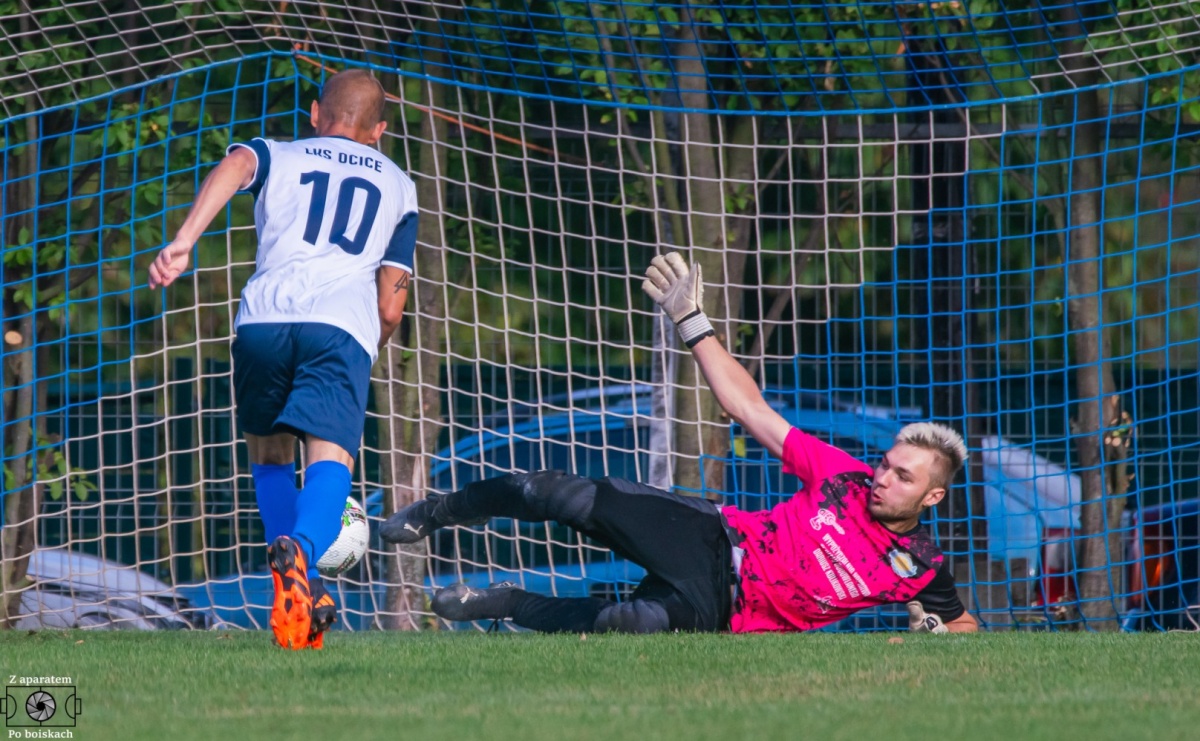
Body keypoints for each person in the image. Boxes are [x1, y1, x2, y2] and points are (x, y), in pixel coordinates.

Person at [381, 252, 978, 635]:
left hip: (724, 612)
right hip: (713, 538)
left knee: (626, 623)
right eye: (887, 464)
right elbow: (748, 407)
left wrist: (931, 636)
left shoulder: (921, 567)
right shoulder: (842, 476)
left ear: (931, 498)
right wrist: (691, 320)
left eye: (903, 477)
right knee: (559, 495)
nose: (882, 477)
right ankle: (433, 513)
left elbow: (965, 630)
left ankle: (507, 603)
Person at [148, 69, 417, 649]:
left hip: (264, 321)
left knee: (270, 455)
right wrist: (368, 346)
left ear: (317, 113)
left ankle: (300, 592)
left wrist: (185, 240)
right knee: (332, 456)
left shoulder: (281, 151)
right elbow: (391, 309)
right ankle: (303, 554)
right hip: (338, 328)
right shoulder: (398, 185)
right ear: (379, 131)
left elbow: (239, 162)